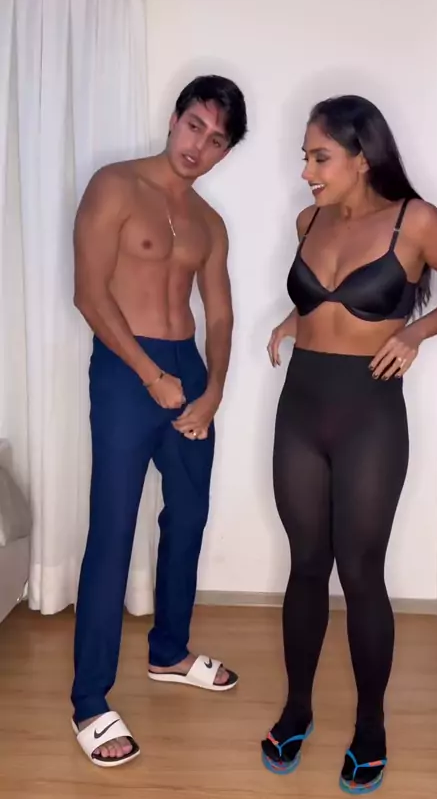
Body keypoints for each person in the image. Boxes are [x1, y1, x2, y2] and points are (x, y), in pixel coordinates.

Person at [261, 94, 437, 794]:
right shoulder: (309, 221)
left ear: (361, 157)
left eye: (319, 157)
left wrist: (414, 333)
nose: (307, 171)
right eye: (305, 156)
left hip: (369, 417)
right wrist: (292, 322)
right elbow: (319, 301)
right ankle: (297, 711)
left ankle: (371, 727)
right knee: (305, 565)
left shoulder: (416, 222)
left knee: (359, 572)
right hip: (300, 409)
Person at [71, 74, 247, 767]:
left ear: (225, 151)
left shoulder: (210, 222)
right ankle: (90, 701)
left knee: (189, 517)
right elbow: (89, 294)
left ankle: (169, 652)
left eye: (217, 139)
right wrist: (150, 375)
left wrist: (214, 391)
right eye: (195, 125)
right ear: (174, 119)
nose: (199, 145)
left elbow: (221, 314)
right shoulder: (114, 185)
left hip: (189, 374)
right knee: (113, 529)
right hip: (126, 370)